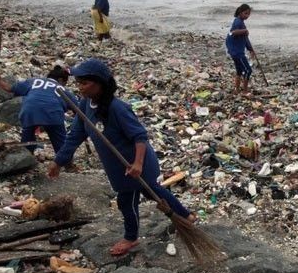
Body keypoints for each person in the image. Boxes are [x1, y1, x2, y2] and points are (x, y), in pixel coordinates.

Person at [47, 58, 196, 255]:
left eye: (84, 83)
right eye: (78, 83)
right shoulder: (85, 105)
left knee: (132, 198)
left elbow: (140, 136)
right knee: (152, 191)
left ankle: (131, 237)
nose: (80, 88)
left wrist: (138, 164)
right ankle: (186, 216)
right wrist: (59, 161)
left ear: (99, 84)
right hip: (118, 166)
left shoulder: (117, 108)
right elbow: (76, 134)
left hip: (134, 163)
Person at [0, 64, 75, 154]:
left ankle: (26, 157)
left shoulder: (34, 81)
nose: (65, 85)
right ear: (60, 80)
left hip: (30, 111)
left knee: (27, 137)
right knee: (60, 142)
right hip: (53, 114)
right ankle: (66, 162)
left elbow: (9, 88)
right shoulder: (63, 90)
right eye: (65, 83)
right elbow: (78, 109)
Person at [225, 3, 257, 94]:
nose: (247, 16)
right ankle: (245, 91)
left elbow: (245, 39)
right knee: (248, 70)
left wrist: (250, 49)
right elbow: (233, 32)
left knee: (239, 70)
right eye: (245, 13)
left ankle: (237, 89)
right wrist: (245, 31)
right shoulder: (237, 21)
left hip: (235, 51)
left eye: (248, 14)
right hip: (237, 52)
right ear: (240, 12)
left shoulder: (241, 22)